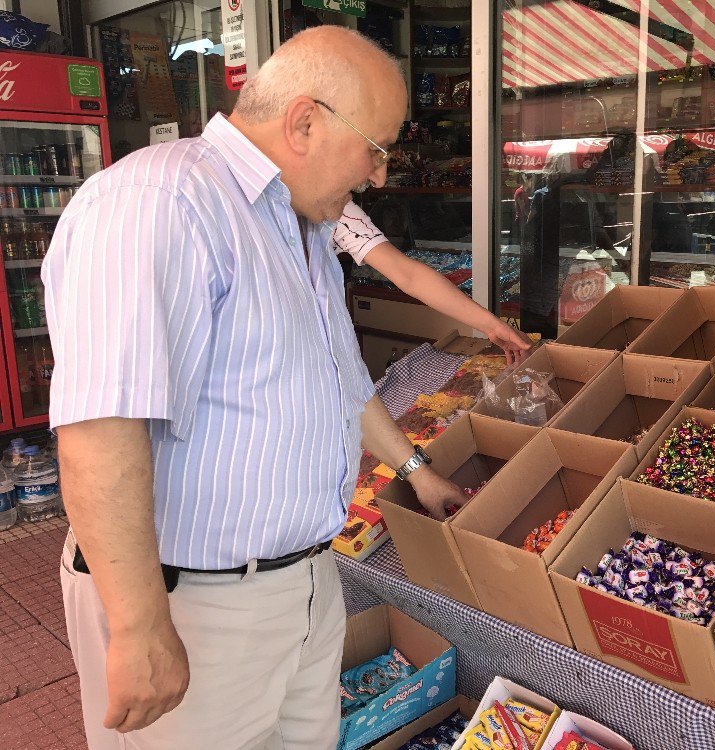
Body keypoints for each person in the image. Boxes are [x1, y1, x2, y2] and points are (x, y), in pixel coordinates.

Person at [44, 26, 474, 750]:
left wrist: (415, 471)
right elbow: (99, 428)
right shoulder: (162, 202)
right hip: (191, 603)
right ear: (305, 121)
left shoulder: (302, 224)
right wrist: (140, 624)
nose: (377, 174)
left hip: (302, 586)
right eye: (377, 147)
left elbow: (340, 377)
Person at [332, 200, 530, 366]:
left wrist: (493, 326)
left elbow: (409, 275)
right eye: (373, 155)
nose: (379, 180)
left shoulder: (342, 211)